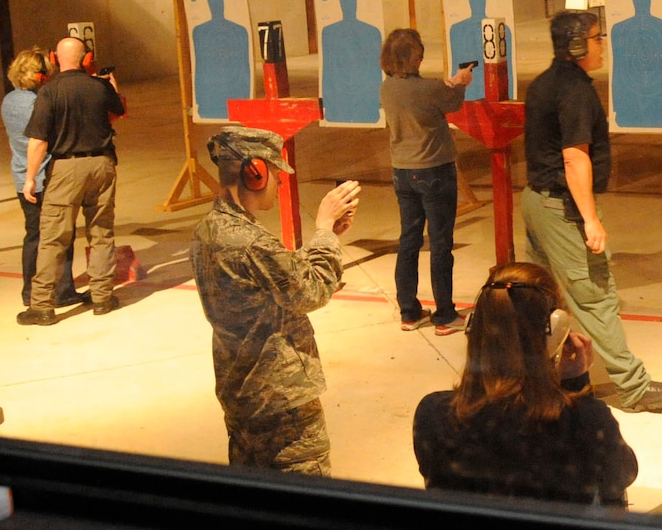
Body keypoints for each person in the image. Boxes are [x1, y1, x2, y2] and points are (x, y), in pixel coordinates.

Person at [522, 9, 662, 413]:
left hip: (537, 202)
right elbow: (575, 159)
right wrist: (591, 219)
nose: (600, 46)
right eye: (596, 39)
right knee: (595, 297)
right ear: (577, 45)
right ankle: (633, 388)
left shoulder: (543, 83)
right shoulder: (576, 91)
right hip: (561, 207)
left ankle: (531, 378)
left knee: (544, 298)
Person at [190, 126, 361, 475]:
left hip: (241, 393)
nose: (280, 184)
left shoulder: (208, 229)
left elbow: (280, 277)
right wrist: (325, 230)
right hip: (281, 401)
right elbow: (310, 291)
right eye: (275, 174)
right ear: (255, 172)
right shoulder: (250, 242)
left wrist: (322, 243)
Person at [413, 262, 637, 505]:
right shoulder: (586, 419)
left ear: (474, 328)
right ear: (554, 334)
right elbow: (619, 476)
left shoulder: (432, 413)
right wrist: (575, 385)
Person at [18, 37, 125, 326]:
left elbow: (39, 140)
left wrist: (30, 178)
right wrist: (110, 84)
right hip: (102, 164)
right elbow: (115, 114)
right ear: (86, 58)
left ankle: (42, 306)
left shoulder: (49, 92)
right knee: (101, 232)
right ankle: (102, 298)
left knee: (54, 237)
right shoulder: (100, 86)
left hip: (66, 169)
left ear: (54, 57)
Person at [380, 29, 475, 334]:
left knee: (408, 241)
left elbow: (426, 96)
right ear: (414, 57)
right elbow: (452, 104)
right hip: (434, 171)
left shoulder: (387, 88)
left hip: (402, 172)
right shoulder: (431, 88)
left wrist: (445, 86)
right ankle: (445, 315)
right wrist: (460, 84)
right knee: (440, 244)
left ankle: (409, 311)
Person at [1, 48, 81, 309]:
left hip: (21, 175)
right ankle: (63, 290)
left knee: (33, 235)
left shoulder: (9, 100)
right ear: (40, 76)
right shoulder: (40, 103)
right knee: (61, 235)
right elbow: (53, 135)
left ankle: (29, 292)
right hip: (45, 177)